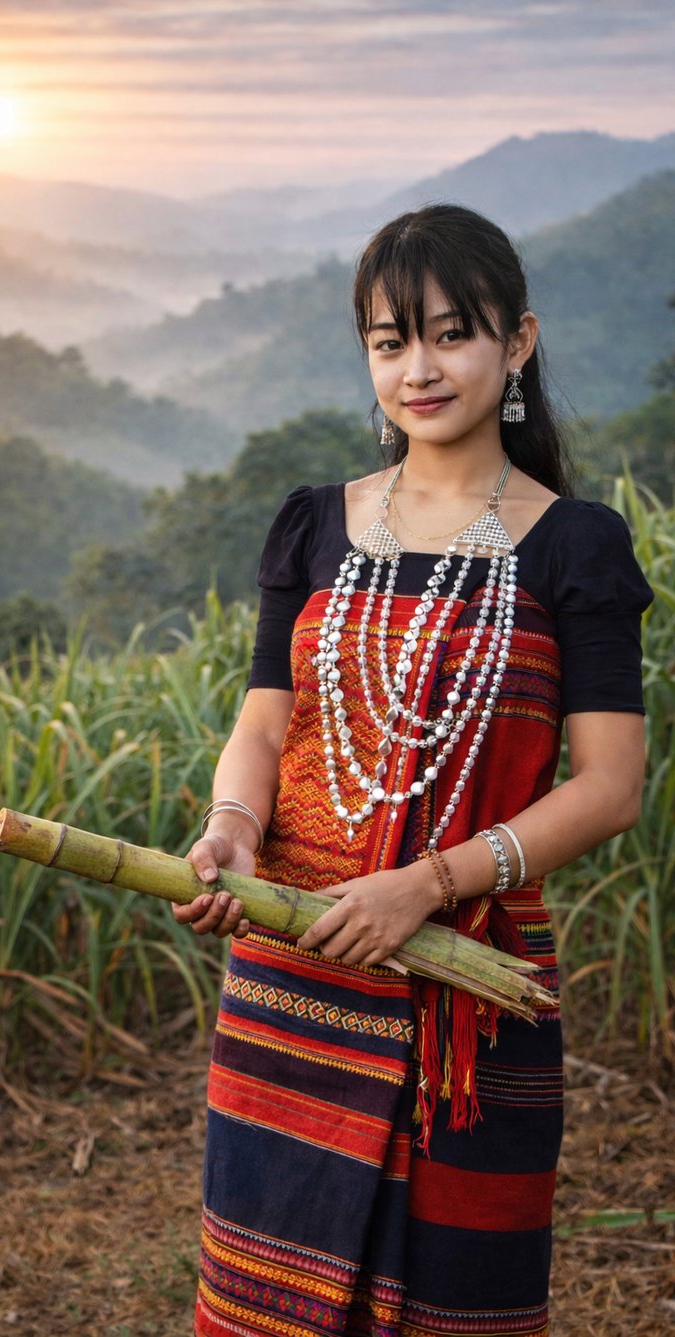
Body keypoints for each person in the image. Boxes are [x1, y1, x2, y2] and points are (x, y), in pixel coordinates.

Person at [173, 204, 652, 1337]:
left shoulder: (574, 544)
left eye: (451, 334)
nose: (419, 368)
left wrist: (424, 886)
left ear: (518, 340)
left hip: (469, 996)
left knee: (456, 1303)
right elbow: (263, 719)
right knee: (264, 1294)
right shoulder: (314, 524)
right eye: (391, 342)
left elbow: (610, 785)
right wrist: (233, 825)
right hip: (296, 965)